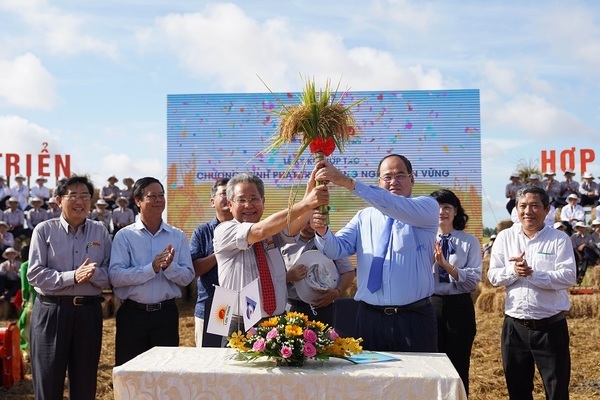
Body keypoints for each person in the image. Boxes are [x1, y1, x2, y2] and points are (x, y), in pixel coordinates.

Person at [310, 154, 439, 352]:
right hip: (370, 318)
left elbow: (393, 205)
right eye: (387, 177)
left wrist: (346, 182)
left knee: (416, 381)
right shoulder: (364, 217)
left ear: (412, 179)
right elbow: (335, 249)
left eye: (400, 176)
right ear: (378, 182)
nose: (393, 181)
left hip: (413, 319)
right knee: (371, 380)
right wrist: (322, 232)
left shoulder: (426, 208)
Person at [488, 186, 576, 400]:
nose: (528, 211)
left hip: (550, 327)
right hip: (514, 328)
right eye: (523, 206)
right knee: (517, 392)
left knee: (556, 392)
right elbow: (493, 276)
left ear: (547, 210)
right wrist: (514, 271)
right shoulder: (504, 237)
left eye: (535, 205)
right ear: (516, 210)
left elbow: (568, 277)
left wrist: (532, 274)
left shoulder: (559, 239)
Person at [27, 175, 111, 400]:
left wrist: (93, 274)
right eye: (73, 196)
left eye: (85, 196)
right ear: (58, 200)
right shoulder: (44, 230)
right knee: (48, 383)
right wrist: (72, 276)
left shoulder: (100, 231)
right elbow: (34, 274)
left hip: (88, 312)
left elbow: (110, 272)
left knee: (85, 383)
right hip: (52, 312)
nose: (80, 201)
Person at [213, 170, 328, 333]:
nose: (248, 205)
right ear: (230, 204)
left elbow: (293, 224)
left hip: (277, 322)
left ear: (263, 201)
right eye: (241, 200)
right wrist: (305, 204)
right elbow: (260, 231)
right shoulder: (225, 230)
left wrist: (311, 190)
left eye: (254, 199)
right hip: (241, 325)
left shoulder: (272, 229)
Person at [109, 177, 195, 366]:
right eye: (152, 196)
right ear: (138, 201)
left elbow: (187, 276)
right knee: (130, 373)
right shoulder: (125, 236)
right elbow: (116, 277)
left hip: (166, 315)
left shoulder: (177, 235)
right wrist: (152, 268)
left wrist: (169, 267)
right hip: (133, 315)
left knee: (163, 374)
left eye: (161, 195)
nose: (158, 200)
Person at [430, 189, 481, 396]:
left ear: (455, 211)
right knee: (432, 365)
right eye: (437, 208)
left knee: (459, 365)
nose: (442, 212)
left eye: (447, 207)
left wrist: (446, 266)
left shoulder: (469, 241)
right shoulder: (423, 239)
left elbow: (472, 281)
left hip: (459, 306)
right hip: (430, 305)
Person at [281, 219, 354, 326]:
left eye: (314, 223)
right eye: (307, 222)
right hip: (293, 308)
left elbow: (348, 271)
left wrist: (338, 292)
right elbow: (272, 278)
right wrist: (288, 277)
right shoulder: (283, 242)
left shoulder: (329, 241)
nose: (311, 227)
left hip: (323, 307)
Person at [189, 178, 233, 347]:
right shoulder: (202, 232)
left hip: (244, 307)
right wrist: (220, 253)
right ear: (212, 201)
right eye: (223, 193)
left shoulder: (248, 230)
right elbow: (194, 269)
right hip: (214, 305)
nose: (228, 197)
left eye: (232, 194)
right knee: (211, 363)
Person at [17, 245, 34, 361]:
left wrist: (24, 299)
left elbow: (25, 287)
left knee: (23, 326)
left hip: (32, 301)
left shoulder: (25, 265)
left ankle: (27, 353)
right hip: (48, 300)